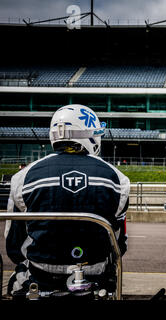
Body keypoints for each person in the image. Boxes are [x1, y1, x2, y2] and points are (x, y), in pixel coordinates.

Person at [5, 104, 130, 299]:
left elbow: (13, 244)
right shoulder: (117, 179)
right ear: (90, 134)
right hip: (95, 279)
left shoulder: (23, 177)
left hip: (41, 279)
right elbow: (119, 244)